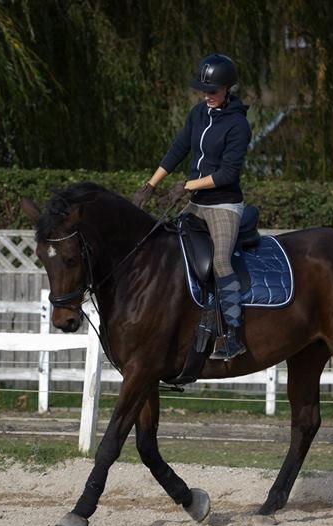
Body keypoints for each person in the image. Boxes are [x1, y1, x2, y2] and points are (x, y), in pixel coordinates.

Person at [133, 53, 252, 360]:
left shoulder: (238, 125)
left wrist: (186, 186)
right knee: (167, 249)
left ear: (226, 89)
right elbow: (178, 149)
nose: (206, 95)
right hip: (196, 204)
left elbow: (227, 175)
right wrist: (151, 184)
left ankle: (233, 334)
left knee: (221, 262)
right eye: (203, 89)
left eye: (212, 90)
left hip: (224, 205)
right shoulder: (198, 113)